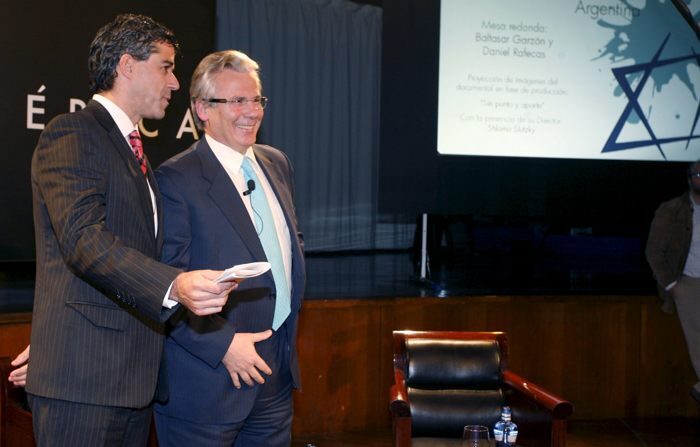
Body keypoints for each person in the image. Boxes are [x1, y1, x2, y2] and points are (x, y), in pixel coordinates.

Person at [19, 14, 236, 446]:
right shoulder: (74, 132)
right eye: (166, 66)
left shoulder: (133, 149)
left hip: (132, 384)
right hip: (82, 383)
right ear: (127, 66)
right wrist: (175, 283)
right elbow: (83, 241)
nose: (175, 83)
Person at [153, 50, 305, 446]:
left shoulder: (276, 163)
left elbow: (288, 251)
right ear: (202, 109)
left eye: (256, 99)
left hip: (274, 377)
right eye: (237, 101)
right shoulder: (175, 179)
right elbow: (164, 285)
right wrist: (223, 345)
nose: (251, 111)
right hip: (207, 388)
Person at [646, 159, 700, 404]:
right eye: (697, 174)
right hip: (688, 282)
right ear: (689, 179)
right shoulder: (672, 209)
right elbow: (654, 251)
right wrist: (672, 286)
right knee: (697, 339)